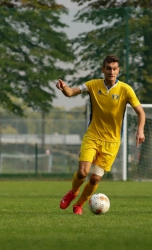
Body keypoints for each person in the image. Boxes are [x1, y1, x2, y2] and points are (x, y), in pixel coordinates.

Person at [56, 55, 146, 214]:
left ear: (119, 70)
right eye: (108, 68)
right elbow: (71, 93)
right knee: (83, 173)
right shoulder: (92, 85)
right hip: (92, 136)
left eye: (115, 69)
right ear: (102, 70)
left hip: (112, 142)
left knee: (95, 178)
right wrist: (64, 87)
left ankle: (79, 204)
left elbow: (140, 112)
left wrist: (140, 130)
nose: (112, 72)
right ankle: (73, 192)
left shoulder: (126, 89)